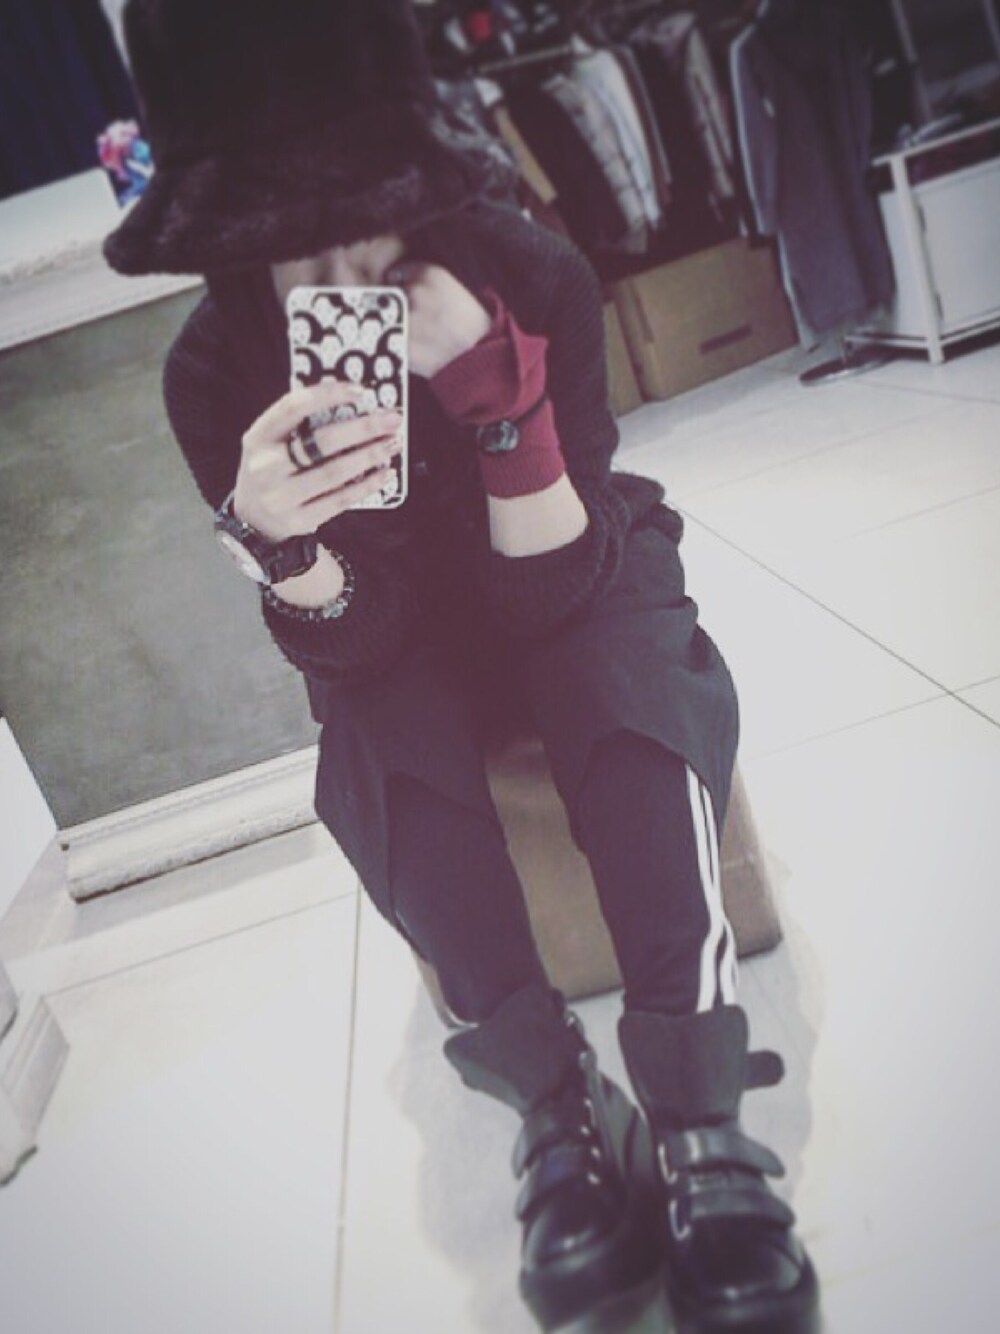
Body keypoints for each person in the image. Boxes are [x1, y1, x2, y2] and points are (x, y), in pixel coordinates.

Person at [104, 2, 819, 1330]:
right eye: (288, 233)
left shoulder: (525, 269)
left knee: (628, 676)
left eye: (369, 218)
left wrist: (506, 410)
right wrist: (282, 546)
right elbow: (361, 645)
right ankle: (554, 1103)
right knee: (375, 743)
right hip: (396, 630)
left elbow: (563, 587)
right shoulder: (211, 372)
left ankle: (697, 1110)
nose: (339, 267)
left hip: (569, 566)